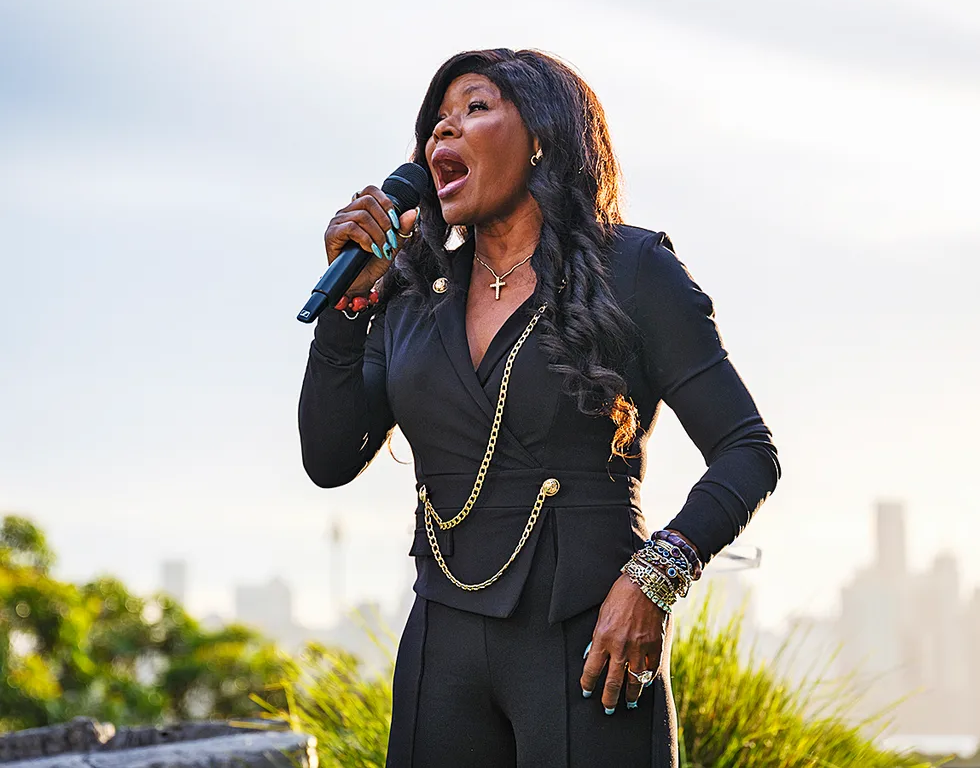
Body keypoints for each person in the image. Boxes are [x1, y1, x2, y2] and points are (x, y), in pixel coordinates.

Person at [298, 48, 780, 768]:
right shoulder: (406, 297)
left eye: (474, 108)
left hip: (591, 639)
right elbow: (329, 460)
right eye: (436, 121)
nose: (442, 133)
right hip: (442, 641)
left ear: (543, 140)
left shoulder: (634, 270)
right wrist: (348, 306)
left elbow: (748, 450)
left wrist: (654, 579)